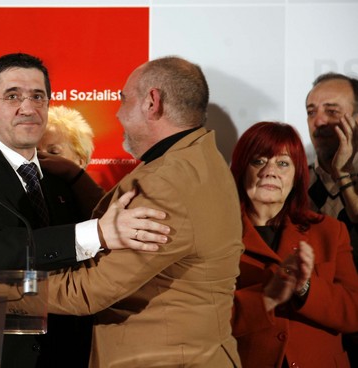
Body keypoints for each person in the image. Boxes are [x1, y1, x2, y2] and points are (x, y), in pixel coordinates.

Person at [0, 53, 171, 367]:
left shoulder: (61, 179)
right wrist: (96, 233)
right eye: (12, 96)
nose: (28, 108)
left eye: (38, 97)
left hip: (69, 351)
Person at [47, 56, 244, 367]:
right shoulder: (199, 158)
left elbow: (90, 290)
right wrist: (74, 176)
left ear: (152, 102)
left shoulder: (167, 182)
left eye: (123, 99)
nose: (117, 113)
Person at [229, 121, 358, 367]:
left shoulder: (330, 231)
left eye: (283, 163)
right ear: (241, 170)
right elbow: (207, 320)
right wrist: (267, 296)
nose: (270, 171)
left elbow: (354, 313)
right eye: (258, 161)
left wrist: (305, 287)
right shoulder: (217, 236)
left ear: (297, 175)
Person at [304, 72, 358, 363]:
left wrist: (344, 175)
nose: (319, 121)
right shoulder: (293, 184)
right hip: (319, 339)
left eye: (332, 111)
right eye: (311, 111)